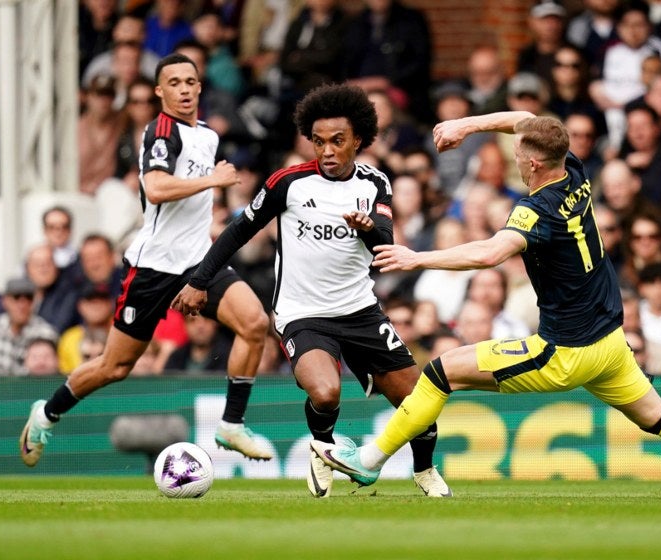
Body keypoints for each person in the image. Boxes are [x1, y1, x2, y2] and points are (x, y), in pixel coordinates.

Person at [311, 110, 661, 499]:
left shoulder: (535, 209)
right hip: (611, 344)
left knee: (439, 372)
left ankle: (369, 461)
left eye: (519, 155)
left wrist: (417, 258)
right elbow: (525, 118)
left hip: (566, 351)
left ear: (534, 165)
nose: (516, 157)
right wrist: (467, 126)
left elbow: (489, 253)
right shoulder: (575, 170)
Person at [170, 83, 451, 499]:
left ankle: (425, 471)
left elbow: (386, 240)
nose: (327, 151)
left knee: (417, 401)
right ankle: (323, 448)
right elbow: (237, 232)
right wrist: (199, 280)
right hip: (302, 313)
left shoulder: (375, 183)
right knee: (325, 390)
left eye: (338, 141)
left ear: (358, 139)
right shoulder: (288, 183)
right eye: (318, 142)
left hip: (360, 310)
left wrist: (369, 228)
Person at [19, 53, 271, 469]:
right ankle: (46, 413)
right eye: (174, 83)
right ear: (159, 91)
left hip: (196, 262)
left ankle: (232, 424)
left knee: (255, 322)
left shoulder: (207, 136)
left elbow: (192, 203)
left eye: (191, 81)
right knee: (114, 367)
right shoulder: (160, 131)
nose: (185, 89)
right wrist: (213, 180)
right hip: (152, 268)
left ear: (200, 86)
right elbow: (154, 189)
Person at [0, 277, 58, 375]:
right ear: (4, 301)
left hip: (33, 389)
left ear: (35, 301)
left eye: (28, 298)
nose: (22, 305)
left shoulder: (46, 333)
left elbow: (53, 376)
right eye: (16, 297)